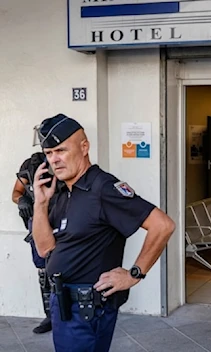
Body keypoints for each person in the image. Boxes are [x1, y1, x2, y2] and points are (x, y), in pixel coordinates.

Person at [31, 114, 175, 352]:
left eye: (61, 150)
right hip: (63, 302)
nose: (54, 160)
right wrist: (40, 203)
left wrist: (134, 274)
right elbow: (44, 248)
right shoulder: (62, 191)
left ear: (84, 147)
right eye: (49, 154)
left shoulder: (103, 188)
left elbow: (163, 225)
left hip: (87, 308)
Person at [11, 152, 54, 334]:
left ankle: (65, 314)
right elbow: (16, 192)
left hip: (63, 220)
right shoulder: (30, 164)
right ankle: (50, 316)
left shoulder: (66, 161)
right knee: (43, 270)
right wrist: (22, 201)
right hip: (38, 222)